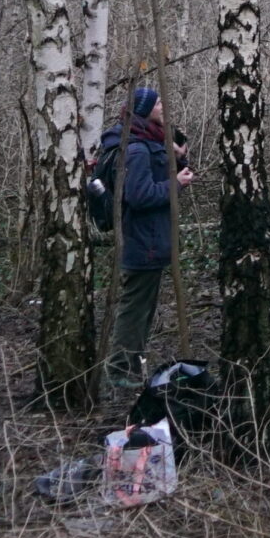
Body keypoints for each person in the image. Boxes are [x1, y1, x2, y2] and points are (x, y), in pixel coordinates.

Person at [94, 85, 189, 386]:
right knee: (134, 311)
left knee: (141, 310)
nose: (163, 105)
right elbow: (140, 195)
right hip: (142, 241)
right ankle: (120, 370)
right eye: (159, 102)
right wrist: (176, 183)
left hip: (151, 238)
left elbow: (160, 178)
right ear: (145, 109)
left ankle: (130, 366)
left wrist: (179, 160)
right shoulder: (135, 148)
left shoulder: (148, 140)